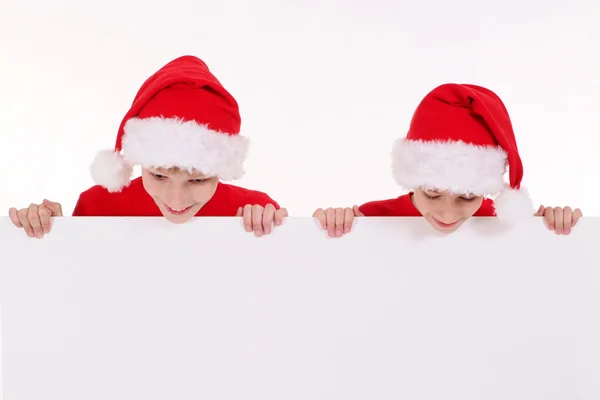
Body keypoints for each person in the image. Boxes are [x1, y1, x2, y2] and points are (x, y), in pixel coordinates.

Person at [9, 55, 287, 239]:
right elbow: (73, 287)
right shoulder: (96, 205)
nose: (176, 200)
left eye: (198, 179)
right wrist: (48, 236)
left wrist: (324, 231)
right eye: (158, 175)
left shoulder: (255, 212)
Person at [313, 83, 582, 237]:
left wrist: (554, 225)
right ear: (413, 179)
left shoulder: (502, 223)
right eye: (431, 194)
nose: (447, 214)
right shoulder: (373, 218)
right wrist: (331, 223)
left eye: (466, 197)